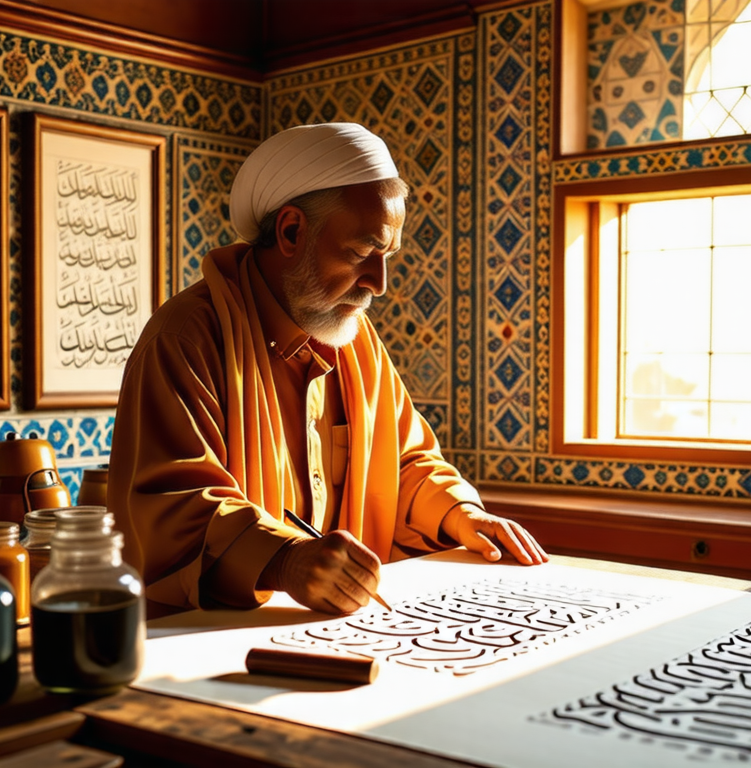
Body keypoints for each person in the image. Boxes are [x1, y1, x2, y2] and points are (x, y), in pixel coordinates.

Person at [109, 122, 548, 617]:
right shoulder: (188, 337)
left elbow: (403, 466)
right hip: (205, 644)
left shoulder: (354, 339)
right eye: (364, 252)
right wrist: (285, 561)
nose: (379, 284)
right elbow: (177, 505)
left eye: (387, 257)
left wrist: (461, 515)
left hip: (337, 628)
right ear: (292, 231)